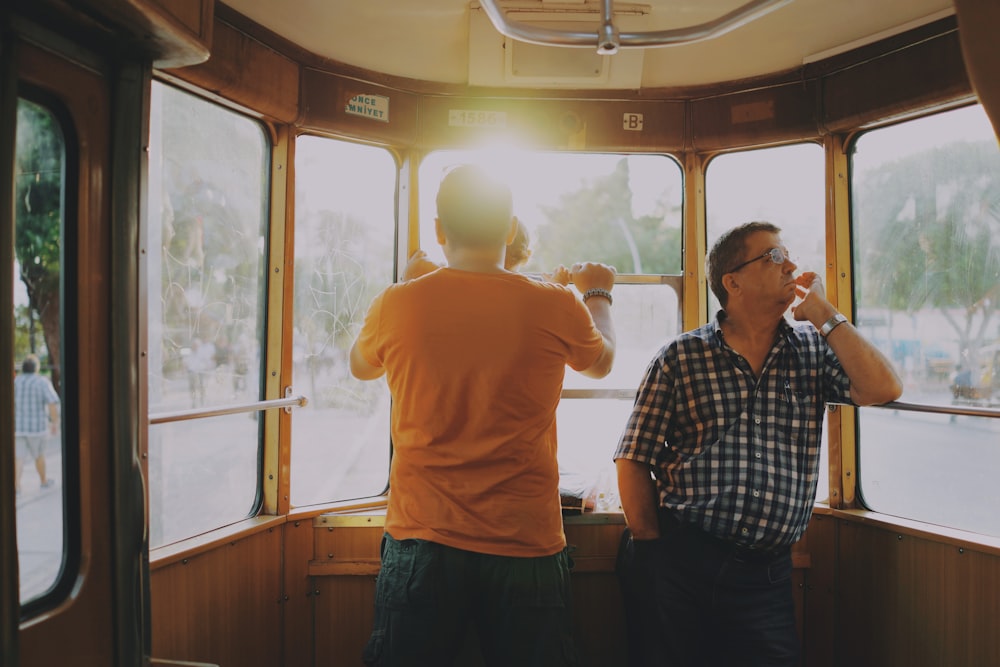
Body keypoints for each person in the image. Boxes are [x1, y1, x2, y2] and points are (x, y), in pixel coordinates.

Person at [349, 164, 616, 666]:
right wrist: (598, 296)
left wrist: (409, 286)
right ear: (510, 228)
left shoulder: (398, 302)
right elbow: (601, 363)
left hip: (421, 538)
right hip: (524, 542)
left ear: (439, 231)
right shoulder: (556, 303)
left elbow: (361, 368)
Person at [614, 221, 903, 667]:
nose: (790, 264)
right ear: (733, 282)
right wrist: (654, 554)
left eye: (786, 254)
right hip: (680, 558)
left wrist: (825, 313)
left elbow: (883, 387)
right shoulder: (681, 357)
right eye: (772, 256)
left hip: (764, 573)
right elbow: (634, 458)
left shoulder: (812, 349)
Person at [403, 215, 572, 284]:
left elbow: (425, 270)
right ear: (525, 257)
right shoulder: (534, 292)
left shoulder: (454, 282)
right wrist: (558, 286)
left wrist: (415, 271)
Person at [14, 355, 60, 494]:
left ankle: (16, 486)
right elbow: (52, 403)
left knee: (18, 457)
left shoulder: (16, 382)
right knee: (39, 455)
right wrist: (55, 422)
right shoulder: (42, 382)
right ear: (36, 368)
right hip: (37, 428)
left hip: (18, 427)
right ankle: (43, 480)